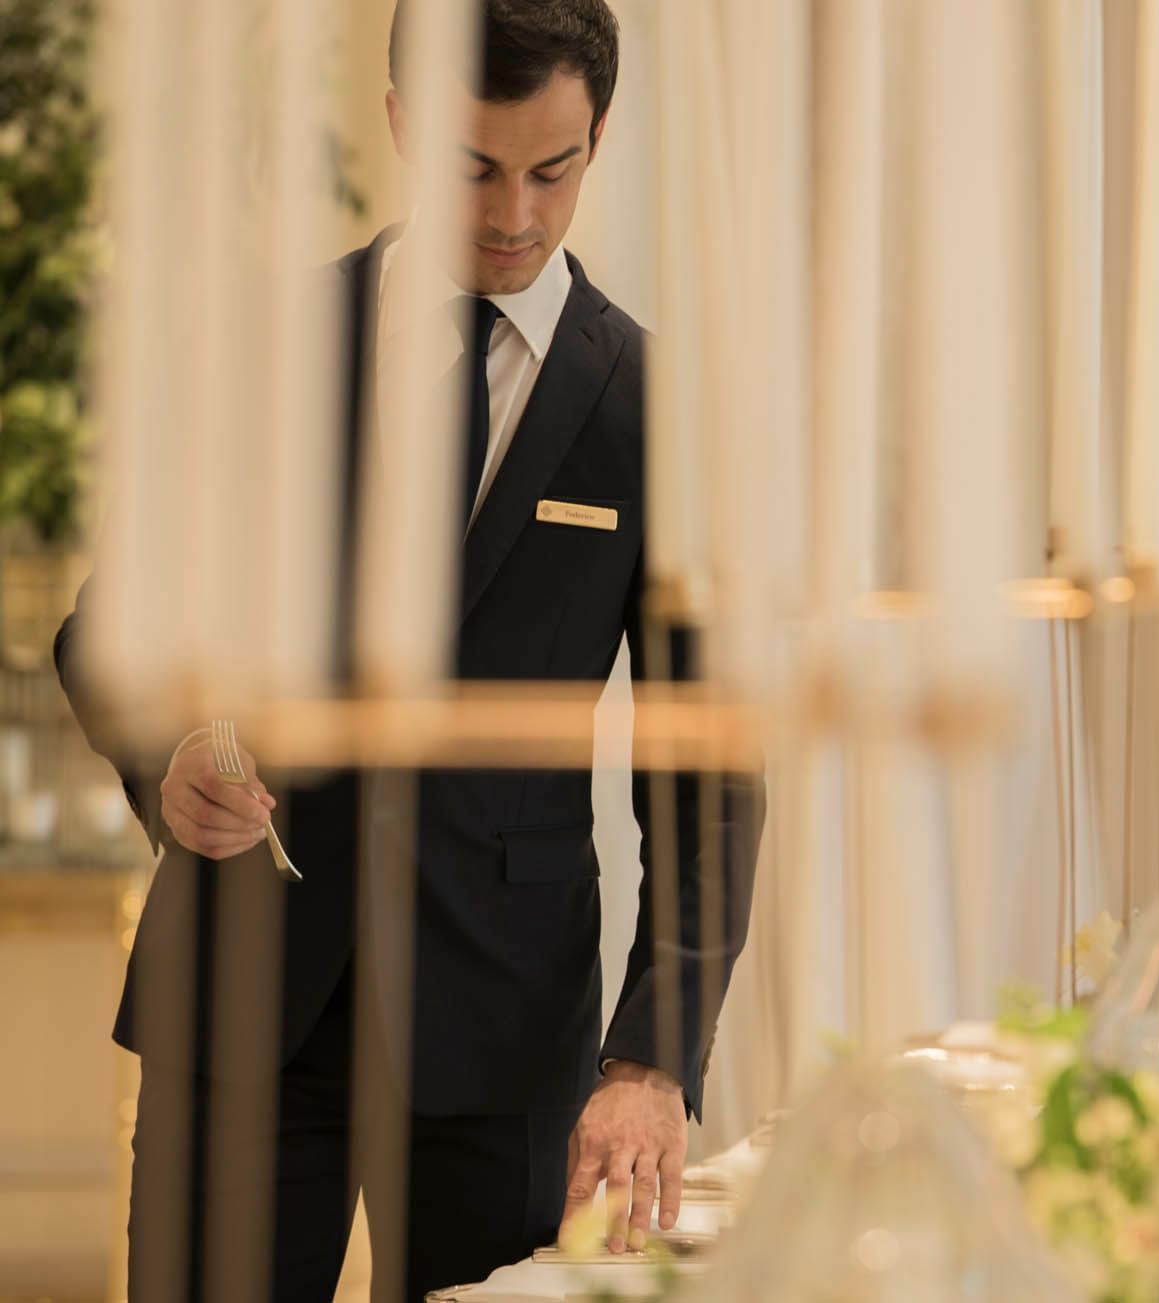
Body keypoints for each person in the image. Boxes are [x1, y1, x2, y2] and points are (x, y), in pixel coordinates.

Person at [52, 3, 764, 1298]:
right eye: (470, 165)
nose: (512, 215)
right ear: (396, 123)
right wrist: (166, 762)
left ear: (598, 138)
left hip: (504, 1031)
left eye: (552, 170)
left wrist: (650, 1064)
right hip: (243, 994)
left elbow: (708, 770)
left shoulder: (659, 412)